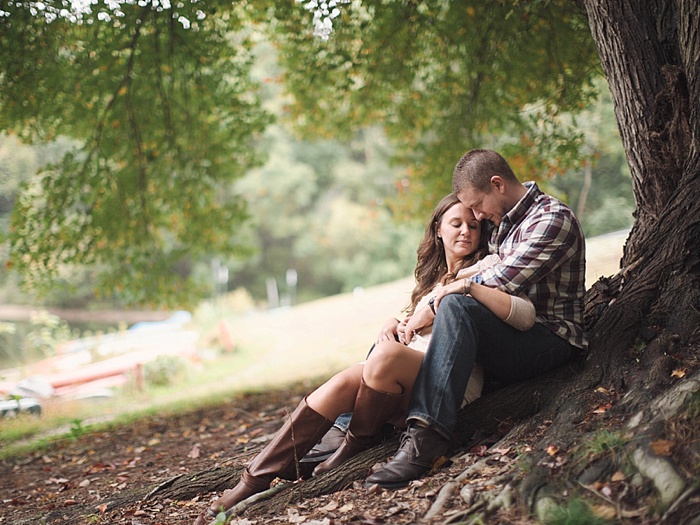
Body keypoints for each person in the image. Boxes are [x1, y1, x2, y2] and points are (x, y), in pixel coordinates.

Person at [193, 194, 535, 525]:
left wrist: (455, 295)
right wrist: (394, 322)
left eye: (473, 226)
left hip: (445, 386)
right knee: (345, 379)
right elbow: (415, 326)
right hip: (401, 376)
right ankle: (251, 482)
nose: (465, 231)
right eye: (456, 223)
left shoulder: (488, 267)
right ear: (438, 230)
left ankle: (351, 448)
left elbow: (523, 314)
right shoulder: (431, 280)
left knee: (380, 357)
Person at [365, 148, 587, 489]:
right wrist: (410, 316)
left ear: (497, 184)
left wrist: (436, 302)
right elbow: (476, 275)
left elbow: (498, 281)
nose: (477, 216)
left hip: (547, 339)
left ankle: (426, 440)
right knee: (396, 339)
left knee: (455, 306)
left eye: (477, 205)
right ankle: (346, 432)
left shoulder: (550, 219)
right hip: (505, 331)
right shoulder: (501, 224)